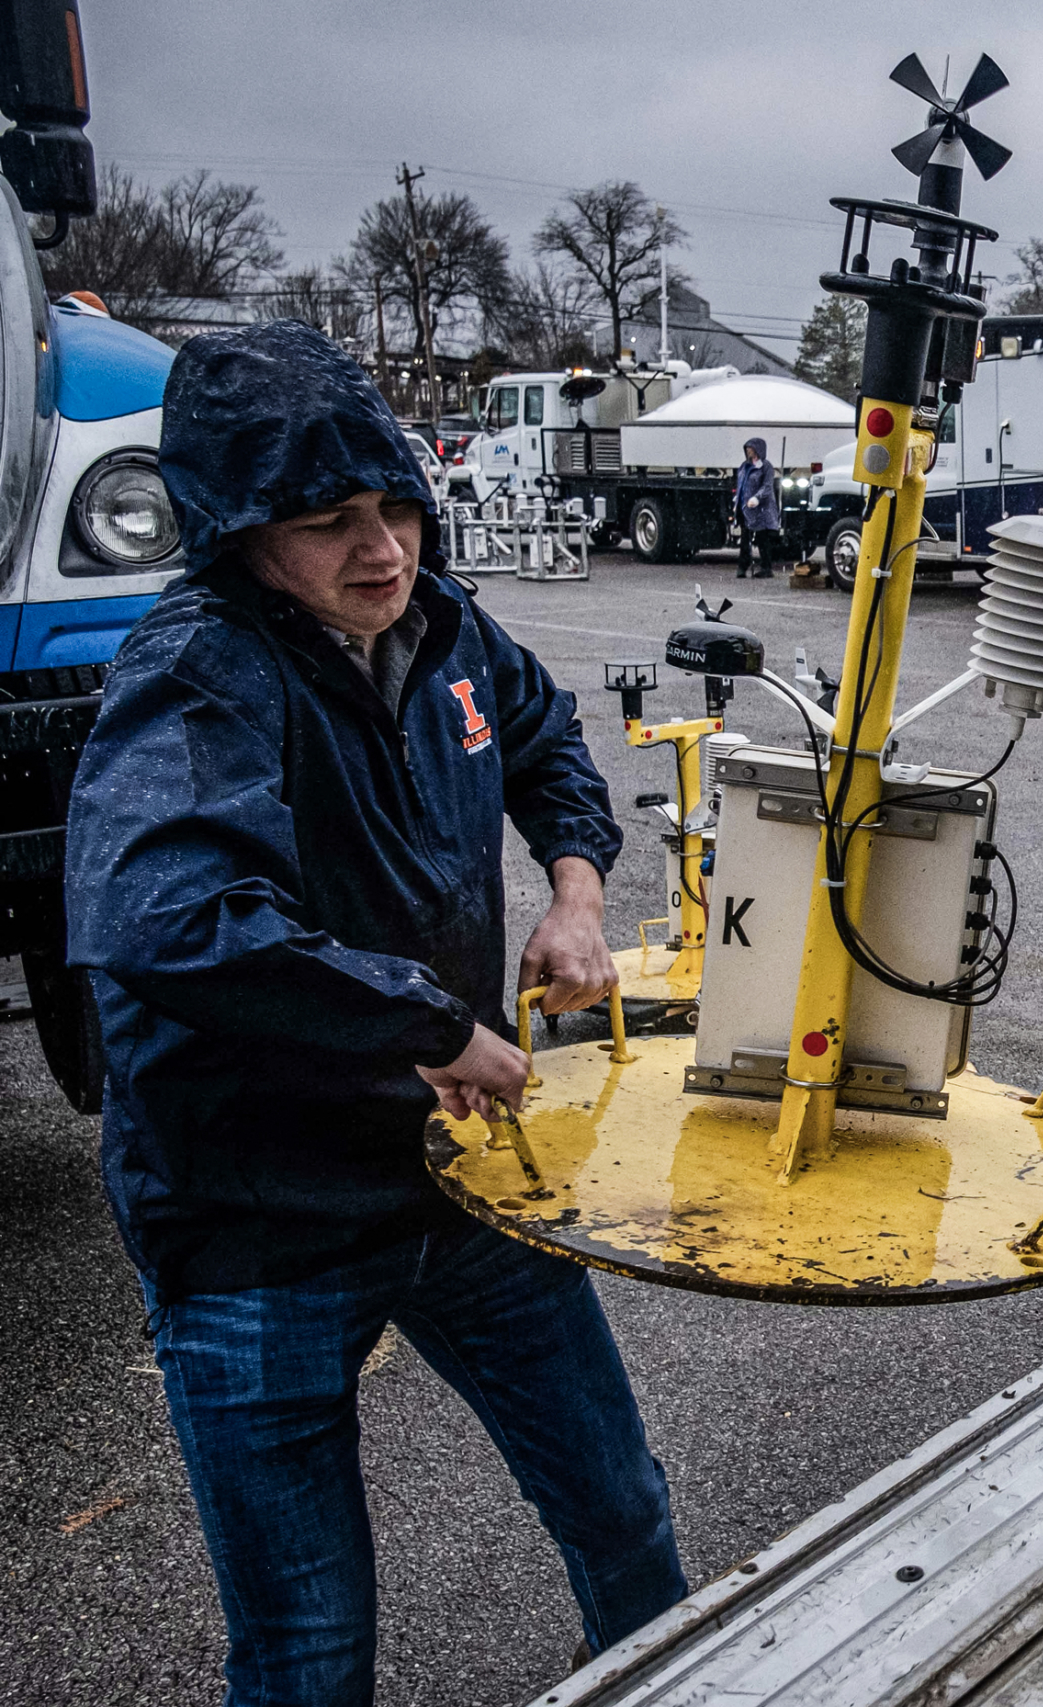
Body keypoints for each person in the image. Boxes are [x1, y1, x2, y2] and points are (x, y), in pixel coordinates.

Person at [65, 320, 686, 1702]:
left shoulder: (446, 627)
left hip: (464, 1181)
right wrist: (428, 1024)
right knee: (309, 1647)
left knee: (627, 1517)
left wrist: (576, 891)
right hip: (258, 1221)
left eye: (397, 503)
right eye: (329, 519)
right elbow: (170, 923)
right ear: (236, 530)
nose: (382, 548)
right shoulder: (197, 669)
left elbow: (542, 736)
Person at [735, 435, 781, 578]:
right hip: (745, 508)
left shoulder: (766, 466)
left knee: (762, 538)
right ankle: (743, 565)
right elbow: (741, 485)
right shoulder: (744, 466)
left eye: (751, 448)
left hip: (761, 509)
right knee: (744, 537)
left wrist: (757, 497)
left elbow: (767, 487)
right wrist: (737, 500)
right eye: (747, 449)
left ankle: (766, 568)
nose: (748, 451)